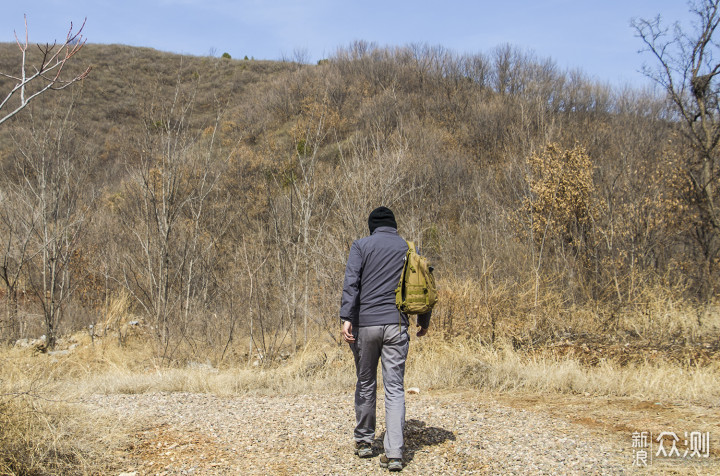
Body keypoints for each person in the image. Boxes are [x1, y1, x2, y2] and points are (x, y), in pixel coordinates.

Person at [340, 206, 431, 472]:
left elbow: (351, 283)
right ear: (394, 225)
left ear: (372, 226)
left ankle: (365, 442)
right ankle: (394, 454)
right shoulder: (407, 247)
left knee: (366, 382)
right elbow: (423, 282)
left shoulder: (361, 246)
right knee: (394, 388)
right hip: (398, 325)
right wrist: (423, 322)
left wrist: (347, 317)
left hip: (365, 326)